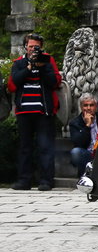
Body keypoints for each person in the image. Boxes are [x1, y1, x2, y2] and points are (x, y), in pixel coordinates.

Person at [7, 33, 62, 190]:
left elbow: (55, 82)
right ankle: (24, 180)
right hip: (24, 111)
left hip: (43, 111)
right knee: (25, 147)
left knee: (45, 146)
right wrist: (29, 67)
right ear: (25, 47)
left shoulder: (47, 60)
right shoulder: (19, 63)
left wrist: (42, 68)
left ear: (41, 47)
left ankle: (46, 181)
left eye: (36, 47)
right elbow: (13, 84)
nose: (33, 49)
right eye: (30, 46)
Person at [68, 94, 98, 177]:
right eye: (85, 105)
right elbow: (78, 143)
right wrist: (87, 125)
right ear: (81, 107)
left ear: (96, 106)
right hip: (87, 154)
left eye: (91, 105)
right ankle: (85, 174)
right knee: (75, 152)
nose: (88, 108)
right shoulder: (75, 123)